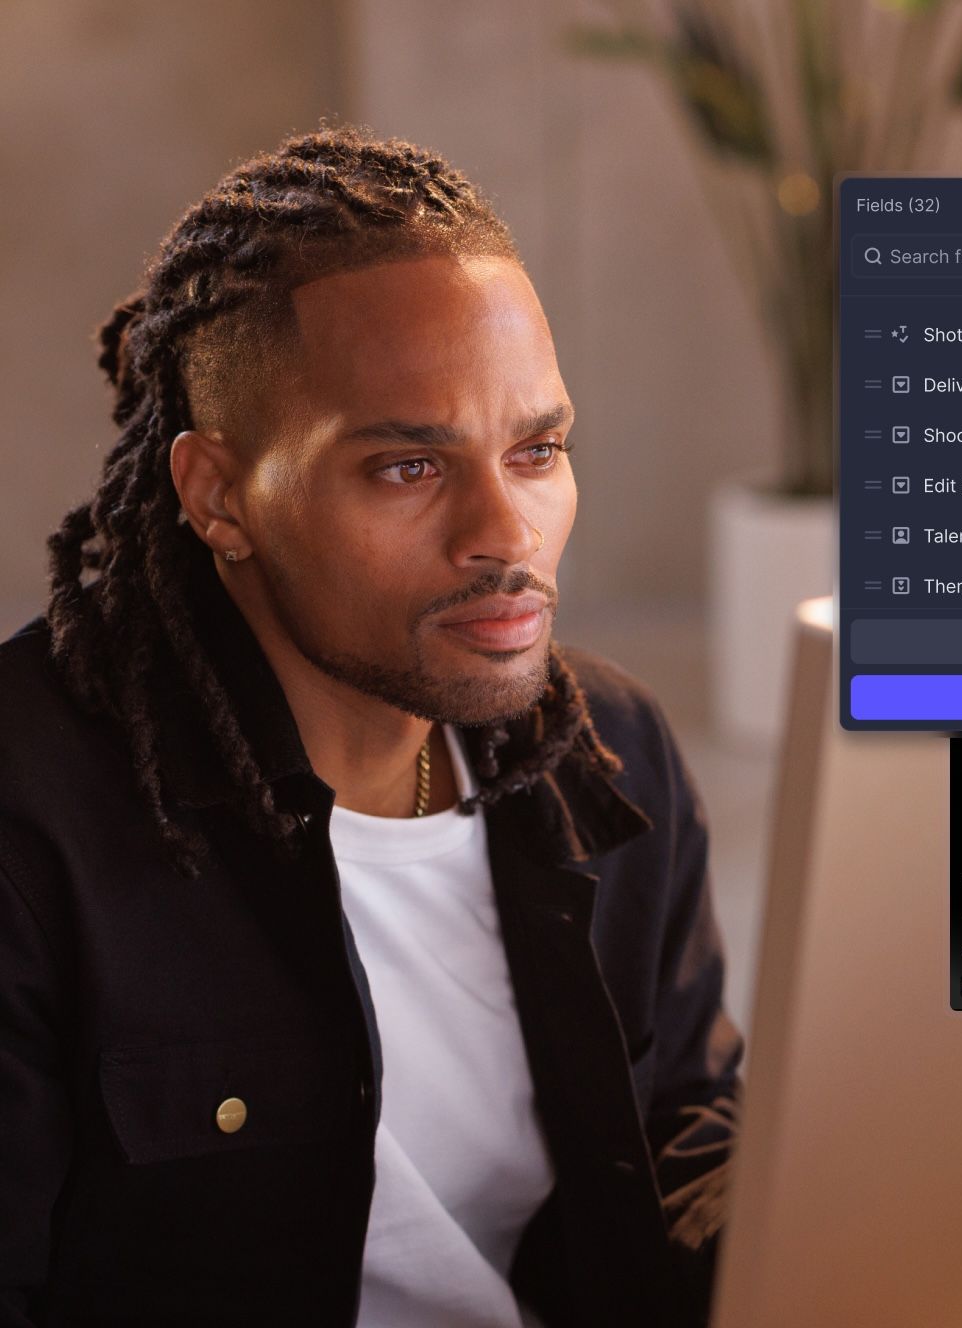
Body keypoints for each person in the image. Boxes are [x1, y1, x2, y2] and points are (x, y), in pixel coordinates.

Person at [0, 127, 741, 1327]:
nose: (503, 531)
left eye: (536, 449)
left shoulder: (607, 749)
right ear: (217, 494)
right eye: (407, 465)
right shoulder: (33, 824)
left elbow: (681, 1138)